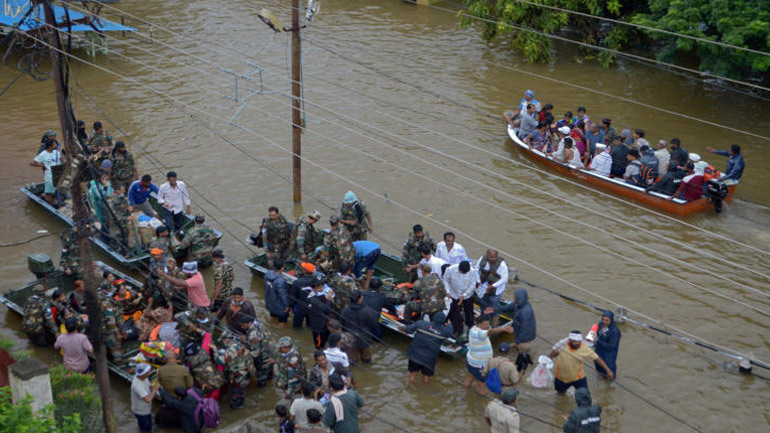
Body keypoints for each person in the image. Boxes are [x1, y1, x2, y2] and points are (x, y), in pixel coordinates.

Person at [549, 331, 614, 394]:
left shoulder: (585, 348)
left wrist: (608, 370)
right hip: (560, 377)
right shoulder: (562, 345)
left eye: (578, 341)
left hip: (578, 378)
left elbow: (598, 359)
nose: (577, 343)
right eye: (574, 341)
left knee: (585, 396)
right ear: (570, 340)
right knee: (560, 395)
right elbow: (555, 352)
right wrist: (548, 358)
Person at [463, 314, 513, 395]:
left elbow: (489, 330)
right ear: (478, 324)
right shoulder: (479, 333)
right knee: (482, 386)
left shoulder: (473, 329)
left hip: (471, 361)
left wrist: (488, 316)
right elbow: (490, 332)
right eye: (485, 324)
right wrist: (503, 329)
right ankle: (482, 402)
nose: (487, 326)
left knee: (469, 378)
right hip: (480, 365)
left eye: (488, 324)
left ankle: (464, 391)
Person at [403, 312, 452, 384]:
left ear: (433, 318)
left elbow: (408, 329)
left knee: (413, 373)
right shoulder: (444, 332)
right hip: (429, 359)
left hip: (415, 355)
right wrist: (449, 325)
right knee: (426, 376)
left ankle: (409, 386)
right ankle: (425, 391)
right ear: (444, 321)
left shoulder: (421, 324)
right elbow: (450, 332)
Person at [219, 330, 256, 409]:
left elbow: (221, 361)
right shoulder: (238, 343)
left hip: (241, 377)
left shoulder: (232, 348)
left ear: (227, 339)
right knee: (239, 392)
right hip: (243, 373)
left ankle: (237, 408)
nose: (223, 342)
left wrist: (215, 350)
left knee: (237, 397)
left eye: (223, 340)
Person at [340, 290, 379, 364]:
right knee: (367, 359)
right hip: (365, 339)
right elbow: (374, 325)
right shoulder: (368, 311)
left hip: (350, 340)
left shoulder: (345, 311)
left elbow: (341, 324)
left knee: (353, 360)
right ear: (360, 298)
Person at [493, 288, 536, 354]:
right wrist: (495, 309)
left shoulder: (526, 312)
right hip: (518, 330)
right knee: (517, 347)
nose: (513, 297)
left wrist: (517, 341)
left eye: (515, 297)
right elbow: (507, 308)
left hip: (526, 337)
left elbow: (524, 330)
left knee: (522, 353)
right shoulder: (517, 304)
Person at [444, 260, 476, 340]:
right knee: (455, 313)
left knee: (469, 311)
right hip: (454, 294)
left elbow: (472, 284)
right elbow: (445, 280)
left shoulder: (472, 271)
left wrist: (464, 295)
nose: (465, 274)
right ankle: (458, 329)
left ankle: (470, 326)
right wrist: (447, 291)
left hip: (467, 295)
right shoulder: (450, 269)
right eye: (463, 272)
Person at [476, 249, 509, 317]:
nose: (493, 259)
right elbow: (476, 270)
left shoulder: (502, 265)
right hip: (483, 289)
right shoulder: (482, 259)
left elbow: (504, 279)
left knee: (495, 310)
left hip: (496, 292)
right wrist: (478, 281)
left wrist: (493, 286)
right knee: (483, 307)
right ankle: (484, 320)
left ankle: (494, 324)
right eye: (491, 257)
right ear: (487, 256)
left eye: (494, 257)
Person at [30, 138, 63, 207]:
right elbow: (32, 163)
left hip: (58, 175)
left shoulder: (57, 152)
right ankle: (50, 204)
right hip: (50, 177)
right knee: (49, 193)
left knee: (59, 190)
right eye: (54, 144)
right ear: (49, 147)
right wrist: (42, 165)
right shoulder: (43, 154)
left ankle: (60, 204)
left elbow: (60, 159)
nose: (56, 145)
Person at [131, 363, 160, 433]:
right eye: (148, 372)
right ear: (142, 374)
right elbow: (148, 399)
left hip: (145, 409)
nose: (149, 373)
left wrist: (156, 395)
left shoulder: (144, 378)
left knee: (144, 425)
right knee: (146, 428)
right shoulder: (137, 385)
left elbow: (149, 386)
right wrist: (154, 390)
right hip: (141, 412)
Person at [593, 311, 621, 377]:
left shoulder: (615, 332)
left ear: (611, 320)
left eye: (606, 320)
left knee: (609, 373)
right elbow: (597, 334)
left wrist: (597, 341)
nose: (604, 322)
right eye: (603, 319)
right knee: (598, 370)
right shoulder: (600, 324)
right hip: (598, 352)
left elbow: (611, 347)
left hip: (608, 356)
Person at [291, 262, 318, 329]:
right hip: (312, 308)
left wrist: (289, 307)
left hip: (300, 307)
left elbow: (292, 297)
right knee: (311, 326)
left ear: (304, 271)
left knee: (297, 327)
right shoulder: (318, 282)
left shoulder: (297, 282)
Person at [308, 279, 334, 348]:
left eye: (322, 287)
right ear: (314, 288)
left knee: (326, 340)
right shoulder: (313, 299)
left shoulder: (321, 294)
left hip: (325, 323)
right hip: (319, 326)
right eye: (320, 287)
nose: (322, 289)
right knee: (319, 344)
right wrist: (329, 299)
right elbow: (325, 309)